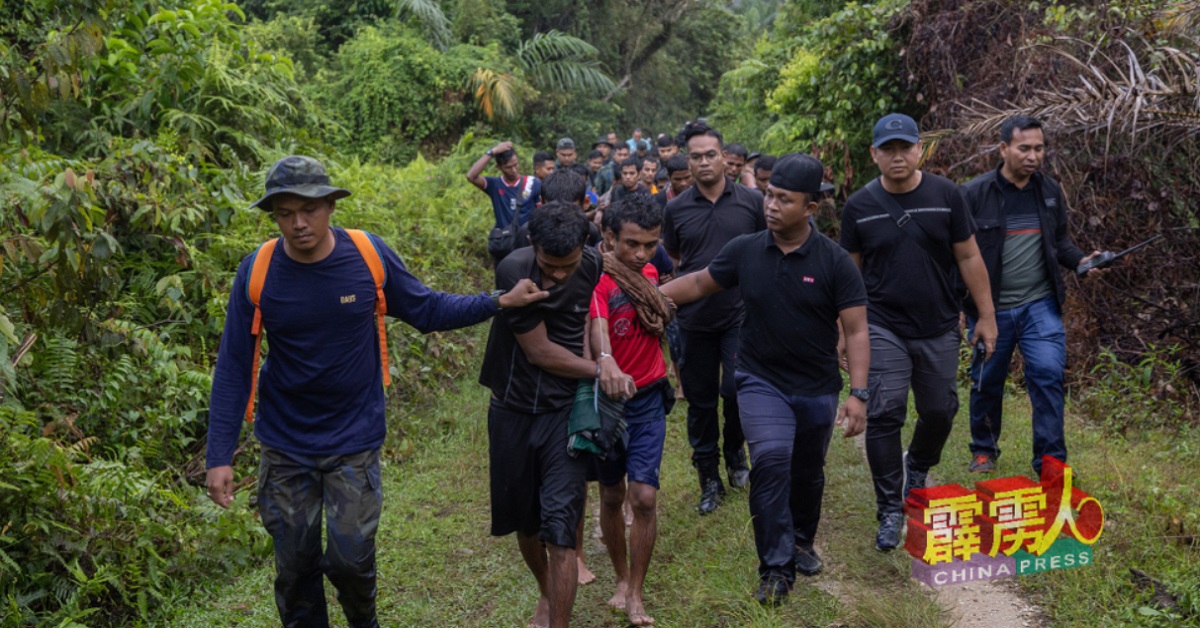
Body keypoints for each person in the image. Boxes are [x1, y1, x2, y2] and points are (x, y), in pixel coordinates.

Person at [205, 155, 549, 627]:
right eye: (284, 213)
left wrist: (497, 302)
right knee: (295, 566)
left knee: (350, 559)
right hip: (285, 446)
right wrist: (219, 455)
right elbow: (233, 365)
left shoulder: (367, 256)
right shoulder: (258, 271)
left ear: (330, 205)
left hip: (354, 440)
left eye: (308, 209)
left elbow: (426, 309)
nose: (298, 223)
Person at [662, 153, 869, 605]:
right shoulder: (746, 250)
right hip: (760, 379)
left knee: (808, 471)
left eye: (784, 200)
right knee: (772, 462)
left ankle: (800, 539)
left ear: (811, 207)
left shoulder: (835, 263)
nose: (772, 206)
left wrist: (858, 393)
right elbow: (697, 283)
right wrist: (648, 298)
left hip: (816, 387)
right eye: (769, 196)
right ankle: (776, 568)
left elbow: (855, 330)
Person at [838, 113, 998, 551]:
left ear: (919, 150)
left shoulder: (947, 195)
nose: (897, 156)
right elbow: (848, 276)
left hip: (939, 323)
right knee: (886, 411)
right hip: (882, 323)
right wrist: (843, 331)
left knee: (940, 410)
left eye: (904, 147)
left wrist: (986, 315)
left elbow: (968, 257)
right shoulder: (859, 206)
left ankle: (920, 466)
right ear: (874, 154)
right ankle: (890, 508)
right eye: (887, 149)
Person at [480, 201, 635, 628]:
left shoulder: (591, 263)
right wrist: (603, 369)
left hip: (564, 412)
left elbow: (594, 314)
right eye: (550, 266)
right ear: (533, 246)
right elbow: (540, 351)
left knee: (561, 529)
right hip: (512, 409)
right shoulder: (514, 269)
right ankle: (546, 593)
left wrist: (603, 351)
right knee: (526, 525)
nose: (559, 275)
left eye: (567, 266)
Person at [960, 115, 1104, 475]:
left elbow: (1059, 243)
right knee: (986, 380)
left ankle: (1051, 463)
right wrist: (966, 308)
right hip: (991, 309)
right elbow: (957, 255)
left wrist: (1082, 262)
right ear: (1004, 148)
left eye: (1039, 148)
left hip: (1040, 305)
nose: (1033, 156)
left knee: (1047, 374)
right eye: (1024, 148)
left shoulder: (1049, 191)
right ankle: (983, 450)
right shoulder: (974, 194)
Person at [663, 120, 764, 514]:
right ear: (687, 162)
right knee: (701, 402)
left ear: (725, 158)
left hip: (741, 317)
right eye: (696, 156)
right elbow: (673, 261)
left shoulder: (752, 204)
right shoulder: (675, 209)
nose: (704, 163)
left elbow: (764, 252)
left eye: (711, 155)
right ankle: (709, 477)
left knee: (739, 391)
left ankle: (736, 455)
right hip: (694, 320)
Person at [591, 194, 676, 626]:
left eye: (650, 244)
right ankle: (620, 578)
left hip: (647, 398)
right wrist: (606, 360)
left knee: (643, 497)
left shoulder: (650, 272)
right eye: (632, 244)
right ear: (608, 237)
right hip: (608, 403)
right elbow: (599, 325)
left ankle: (637, 591)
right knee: (611, 494)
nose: (642, 253)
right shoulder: (597, 278)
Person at [467, 141, 542, 267]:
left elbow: (541, 211)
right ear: (499, 167)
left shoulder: (533, 183)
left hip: (527, 242)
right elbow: (471, 176)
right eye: (508, 167)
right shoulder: (495, 185)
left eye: (516, 165)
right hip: (505, 243)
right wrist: (492, 152)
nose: (513, 170)